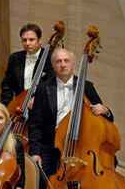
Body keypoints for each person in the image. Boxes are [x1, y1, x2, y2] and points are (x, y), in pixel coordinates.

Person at [24, 47, 111, 179]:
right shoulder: (43, 89)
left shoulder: (86, 87)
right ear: (53, 65)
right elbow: (35, 124)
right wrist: (35, 153)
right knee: (41, 179)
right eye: (58, 61)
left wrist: (106, 110)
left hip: (80, 145)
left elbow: (107, 119)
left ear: (72, 63)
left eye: (66, 61)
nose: (63, 65)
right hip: (51, 146)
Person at [0, 24, 54, 104]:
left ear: (40, 40)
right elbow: (7, 85)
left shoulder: (50, 58)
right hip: (19, 106)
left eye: (31, 40)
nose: (27, 43)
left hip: (43, 105)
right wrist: (7, 106)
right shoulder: (14, 58)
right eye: (24, 40)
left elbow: (52, 85)